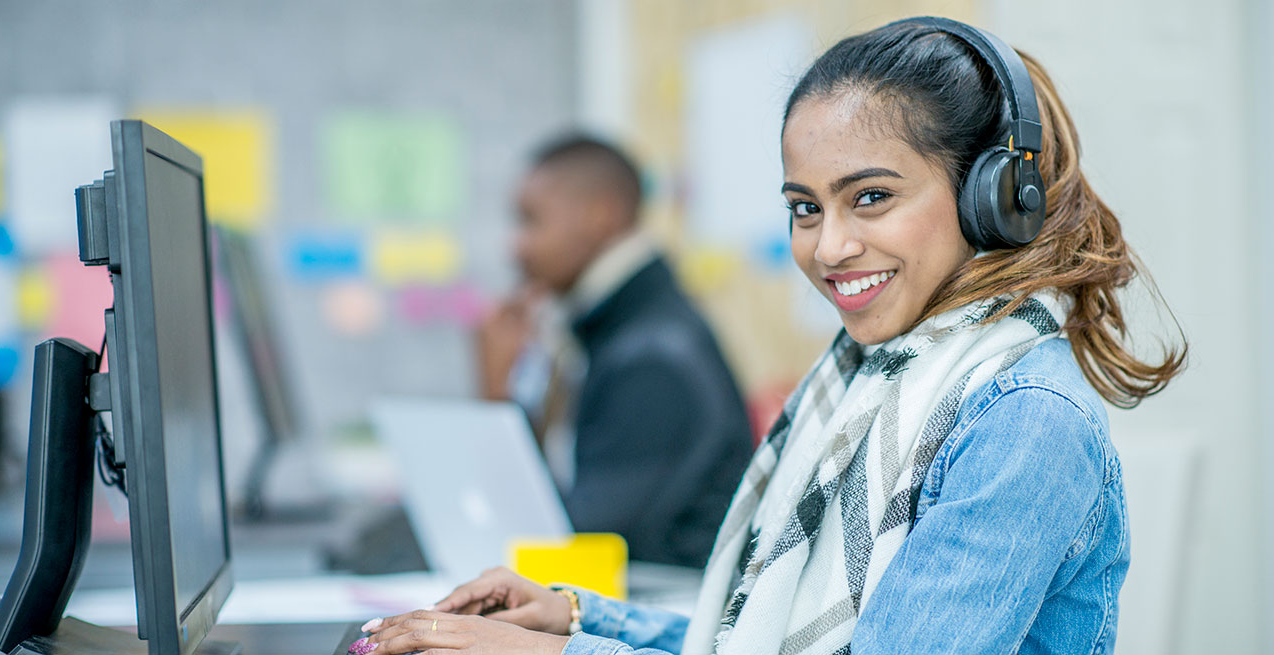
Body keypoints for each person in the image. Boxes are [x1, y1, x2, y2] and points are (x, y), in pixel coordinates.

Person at [352, 16, 1186, 655]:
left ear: (993, 199)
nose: (827, 247)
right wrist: (575, 616)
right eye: (804, 207)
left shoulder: (1021, 419)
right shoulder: (869, 378)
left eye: (870, 198)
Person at [476, 135, 753, 569]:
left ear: (600, 216)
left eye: (531, 221)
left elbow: (572, 548)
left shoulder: (650, 356)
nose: (517, 246)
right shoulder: (618, 327)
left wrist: (497, 395)